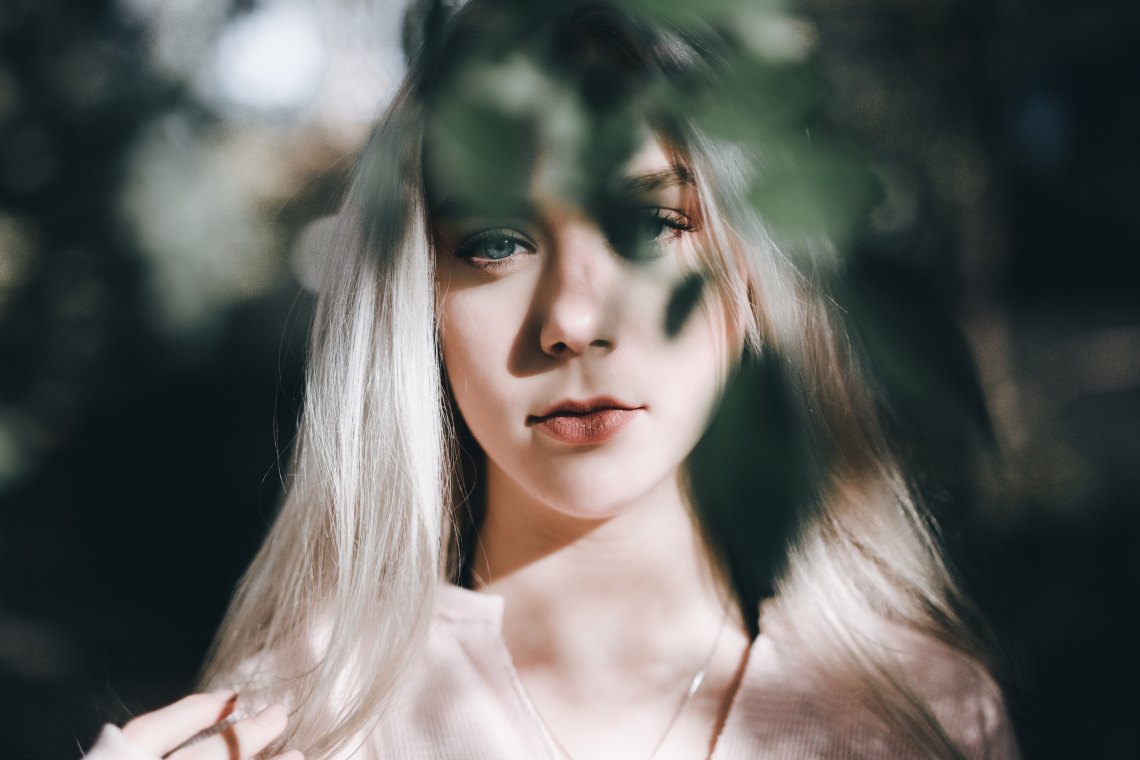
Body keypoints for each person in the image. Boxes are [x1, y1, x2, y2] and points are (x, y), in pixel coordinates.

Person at [84, 0, 1019, 758]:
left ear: (755, 282)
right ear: (419, 309)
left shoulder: (921, 718)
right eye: (496, 244)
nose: (573, 320)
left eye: (652, 224)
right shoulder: (307, 727)